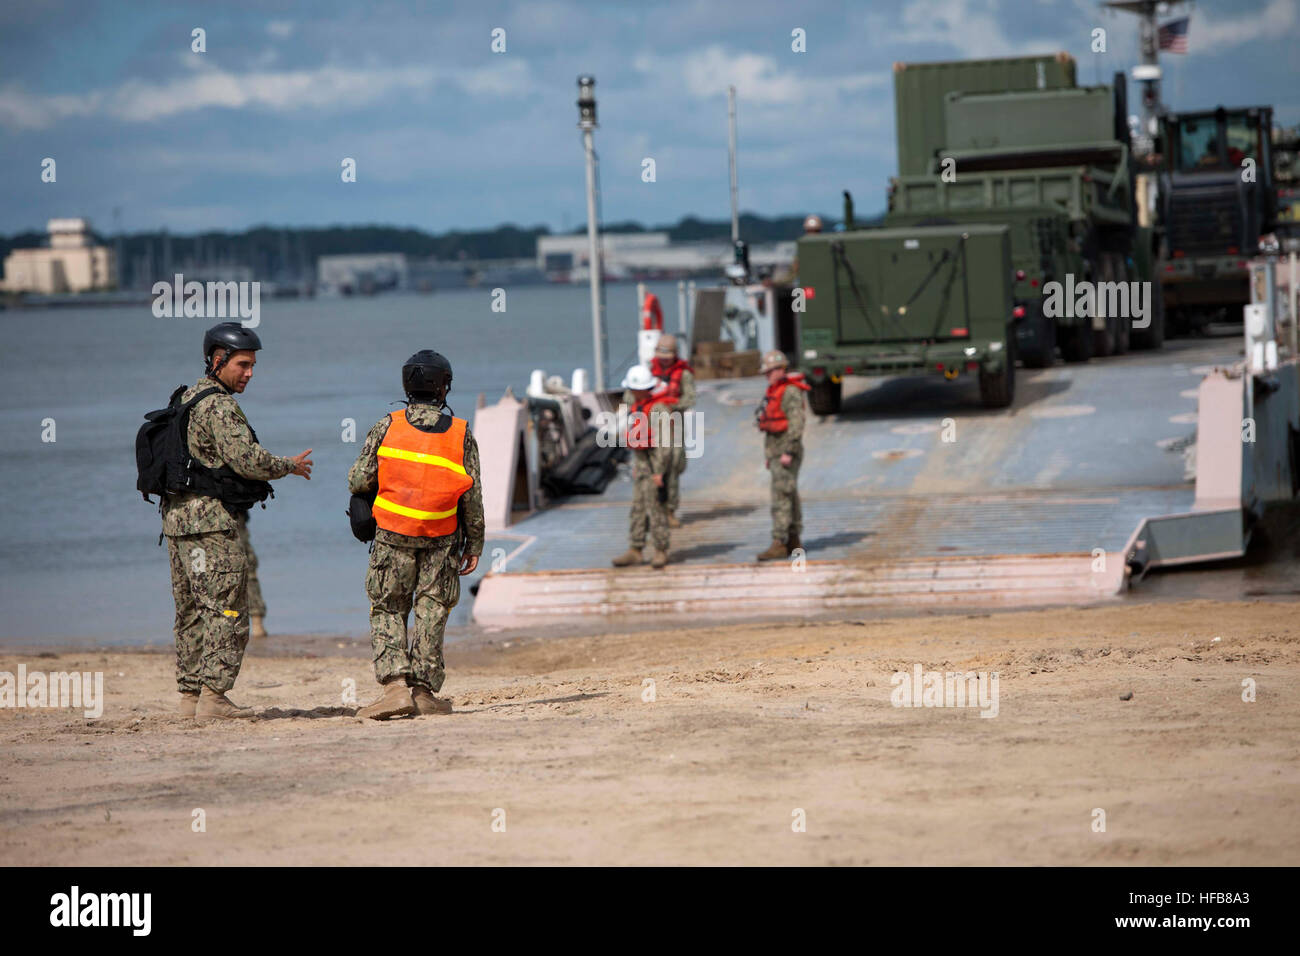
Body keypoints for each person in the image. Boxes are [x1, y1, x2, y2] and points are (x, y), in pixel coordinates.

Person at [164, 323, 313, 718]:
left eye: (252, 366)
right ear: (218, 360)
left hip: (177, 522)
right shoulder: (219, 405)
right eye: (243, 365)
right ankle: (214, 697)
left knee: (191, 610)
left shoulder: (186, 397)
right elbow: (248, 460)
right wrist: (289, 466)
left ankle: (190, 698)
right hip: (212, 523)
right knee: (227, 609)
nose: (249, 373)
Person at [347, 350, 484, 720]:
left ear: (407, 386)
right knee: (431, 609)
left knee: (388, 607)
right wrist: (475, 544)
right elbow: (472, 496)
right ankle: (423, 693)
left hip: (393, 536)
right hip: (441, 538)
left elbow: (358, 479)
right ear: (444, 387)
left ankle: (394, 689)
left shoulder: (387, 425)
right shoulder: (461, 433)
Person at [611, 364, 673, 569]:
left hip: (656, 466)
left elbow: (663, 445)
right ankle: (635, 549)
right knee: (638, 508)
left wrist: (659, 472)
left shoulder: (658, 410)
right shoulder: (636, 408)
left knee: (656, 509)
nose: (631, 393)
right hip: (642, 464)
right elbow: (639, 439)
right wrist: (638, 465)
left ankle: (660, 550)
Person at [755, 350, 810, 561]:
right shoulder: (775, 390)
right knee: (789, 494)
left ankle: (779, 541)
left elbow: (797, 424)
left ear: (780, 370)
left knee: (781, 497)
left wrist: (788, 451)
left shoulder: (789, 392)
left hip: (787, 451)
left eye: (769, 371)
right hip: (777, 451)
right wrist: (771, 455)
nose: (767, 376)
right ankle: (794, 541)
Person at [648, 333, 695, 527]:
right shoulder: (649, 372)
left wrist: (672, 406)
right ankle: (654, 510)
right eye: (661, 356)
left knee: (673, 466)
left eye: (667, 357)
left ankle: (670, 510)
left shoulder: (684, 374)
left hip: (674, 425)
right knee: (654, 468)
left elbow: (690, 399)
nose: (664, 361)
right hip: (653, 426)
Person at [235, 510, 267, 639]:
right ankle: (256, 623)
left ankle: (256, 622)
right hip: (230, 510)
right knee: (247, 566)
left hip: (231, 510)